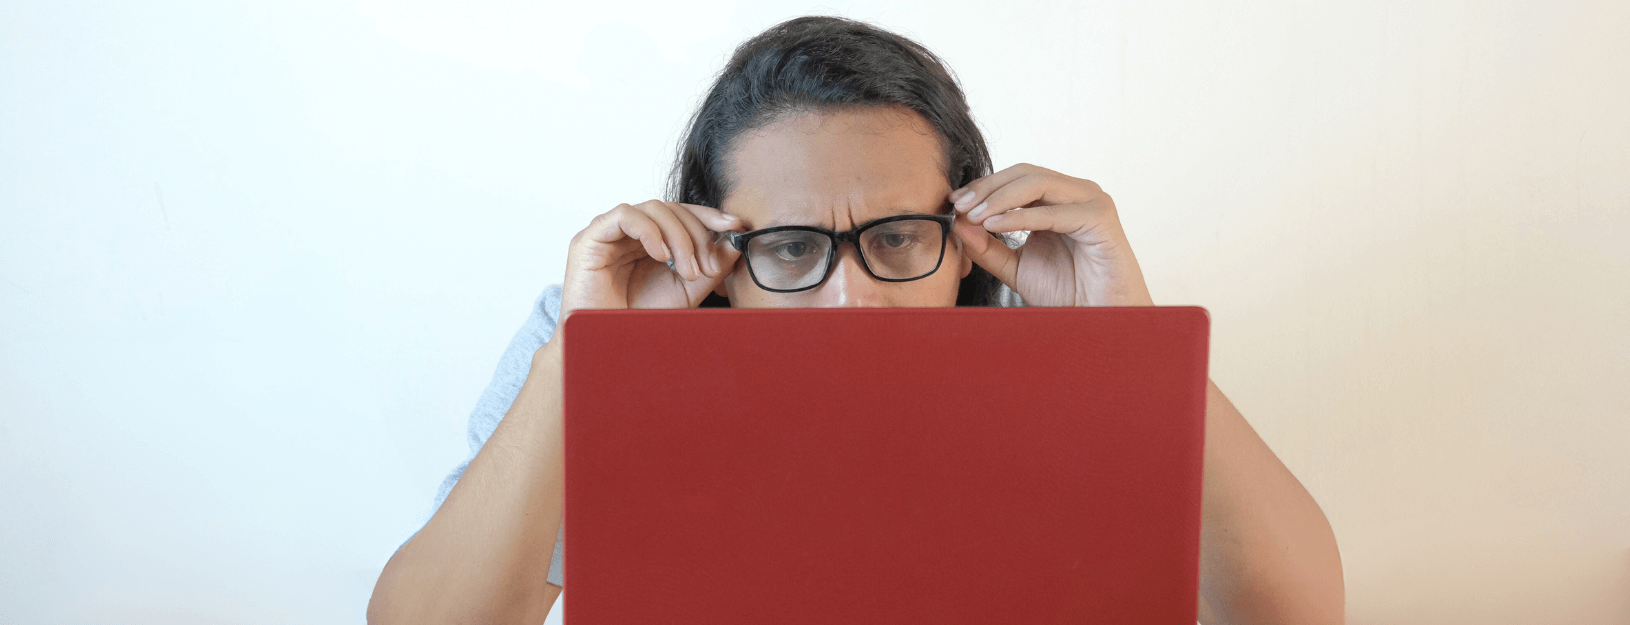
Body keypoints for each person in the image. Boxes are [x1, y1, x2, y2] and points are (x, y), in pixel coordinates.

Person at [368, 15, 1344, 625]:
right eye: (792, 248)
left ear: (965, 235)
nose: (854, 299)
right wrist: (581, 364)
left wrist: (1129, 343)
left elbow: (1297, 613)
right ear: (720, 254)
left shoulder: (1046, 344)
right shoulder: (607, 330)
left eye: (897, 237)